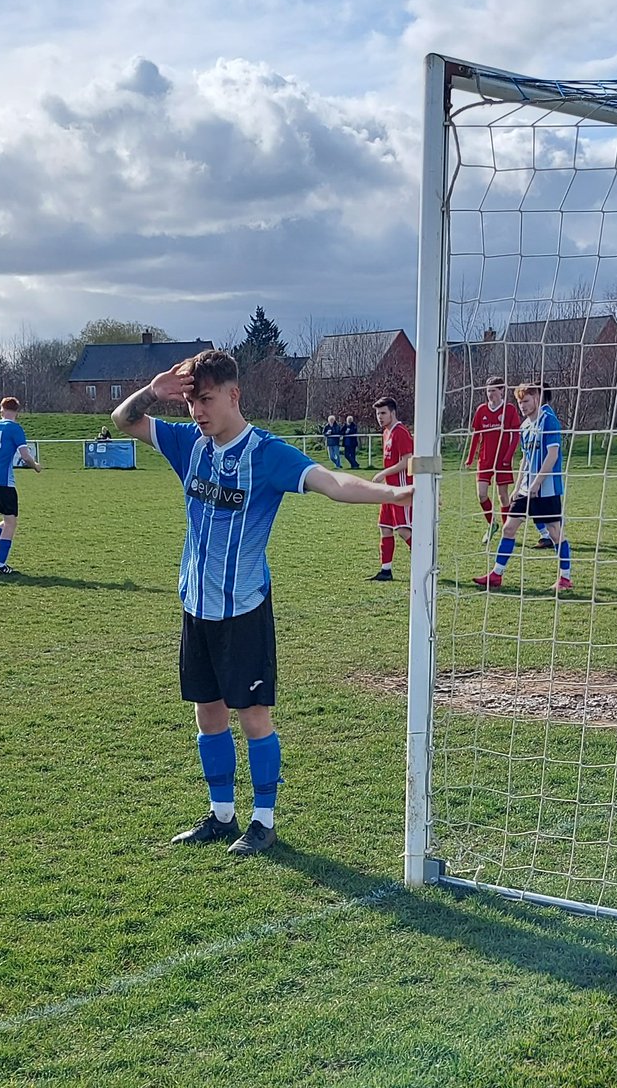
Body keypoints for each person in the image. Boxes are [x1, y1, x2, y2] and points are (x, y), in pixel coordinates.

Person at [111, 349, 413, 857]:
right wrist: (158, 390)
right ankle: (222, 814)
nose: (197, 412)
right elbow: (124, 419)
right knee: (208, 712)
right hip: (195, 606)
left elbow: (333, 483)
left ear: (234, 395)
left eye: (205, 400)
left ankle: (263, 820)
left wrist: (398, 496)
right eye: (190, 403)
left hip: (244, 607)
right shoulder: (189, 444)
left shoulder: (267, 453)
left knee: (252, 716)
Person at [474, 382, 573, 593]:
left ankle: (565, 577)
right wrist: (518, 487)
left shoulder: (549, 420)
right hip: (527, 490)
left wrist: (537, 483)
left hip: (547, 489)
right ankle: (496, 574)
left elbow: (552, 455)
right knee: (509, 528)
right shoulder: (525, 426)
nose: (523, 406)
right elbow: (525, 460)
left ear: (537, 398)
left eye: (526, 401)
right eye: (520, 402)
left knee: (555, 532)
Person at [0, 396, 41, 576]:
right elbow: (25, 456)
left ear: (1, 410)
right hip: (4, 481)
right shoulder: (15, 428)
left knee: (7, 518)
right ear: (17, 412)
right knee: (11, 522)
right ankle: (0, 564)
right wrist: (35, 466)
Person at [466, 376, 522, 544]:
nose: (490, 394)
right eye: (488, 391)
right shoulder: (481, 410)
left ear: (501, 391)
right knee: (481, 494)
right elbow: (476, 436)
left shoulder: (509, 409)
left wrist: (508, 457)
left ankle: (507, 531)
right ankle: (492, 524)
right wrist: (470, 457)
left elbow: (516, 435)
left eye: (493, 391)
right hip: (485, 460)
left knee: (503, 495)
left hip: (502, 460)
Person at [370, 396, 413, 582]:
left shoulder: (400, 432)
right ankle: (386, 570)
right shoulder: (386, 432)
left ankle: (428, 559)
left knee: (403, 530)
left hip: (400, 489)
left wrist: (382, 474)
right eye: (378, 413)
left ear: (392, 413)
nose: (380, 417)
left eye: (383, 413)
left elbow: (407, 461)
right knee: (385, 528)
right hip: (389, 489)